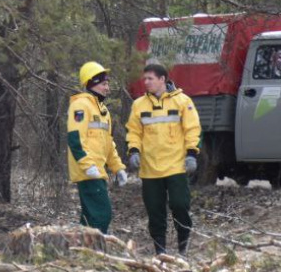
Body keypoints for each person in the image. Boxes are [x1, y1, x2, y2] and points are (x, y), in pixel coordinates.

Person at [126, 63, 202, 255]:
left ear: (162, 79)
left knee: (180, 206)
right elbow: (134, 131)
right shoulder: (139, 105)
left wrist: (192, 154)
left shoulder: (183, 101)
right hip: (150, 169)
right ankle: (160, 252)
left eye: (150, 78)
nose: (146, 82)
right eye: (145, 79)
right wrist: (134, 151)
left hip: (176, 166)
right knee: (155, 212)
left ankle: (184, 248)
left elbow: (192, 129)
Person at [66, 62, 127, 235]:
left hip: (97, 171)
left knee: (89, 216)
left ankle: (82, 250)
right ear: (92, 83)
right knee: (102, 214)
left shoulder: (103, 111)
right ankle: (94, 250)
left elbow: (109, 144)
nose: (108, 88)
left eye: (107, 83)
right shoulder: (80, 106)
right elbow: (75, 139)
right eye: (104, 84)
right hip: (87, 171)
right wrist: (88, 166)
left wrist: (118, 168)